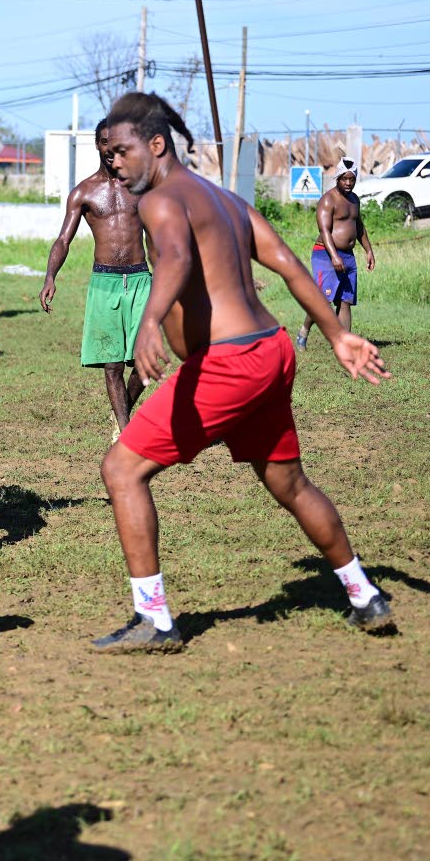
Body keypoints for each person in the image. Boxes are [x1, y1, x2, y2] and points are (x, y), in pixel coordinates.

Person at [93, 92, 392, 654]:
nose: (115, 162)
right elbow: (287, 263)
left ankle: (154, 619)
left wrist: (150, 321)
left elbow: (177, 258)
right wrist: (335, 334)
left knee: (122, 468)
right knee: (287, 482)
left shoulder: (161, 202)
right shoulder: (227, 200)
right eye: (108, 154)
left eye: (123, 151)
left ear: (156, 145)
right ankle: (364, 594)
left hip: (229, 365)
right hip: (272, 351)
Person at [42, 119, 151, 441]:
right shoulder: (84, 192)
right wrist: (50, 275)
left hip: (141, 279)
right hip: (105, 282)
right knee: (113, 364)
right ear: (98, 145)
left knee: (144, 363)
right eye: (105, 142)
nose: (110, 148)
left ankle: (122, 414)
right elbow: (63, 240)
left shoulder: (141, 186)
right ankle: (126, 432)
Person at [295, 157, 376, 348]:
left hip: (347, 256)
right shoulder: (327, 200)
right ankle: (303, 331)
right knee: (324, 301)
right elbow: (324, 231)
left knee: (345, 300)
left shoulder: (354, 200)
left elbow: (359, 226)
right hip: (325, 254)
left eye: (352, 179)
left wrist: (369, 250)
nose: (348, 183)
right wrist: (334, 256)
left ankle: (343, 345)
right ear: (337, 178)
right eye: (344, 179)